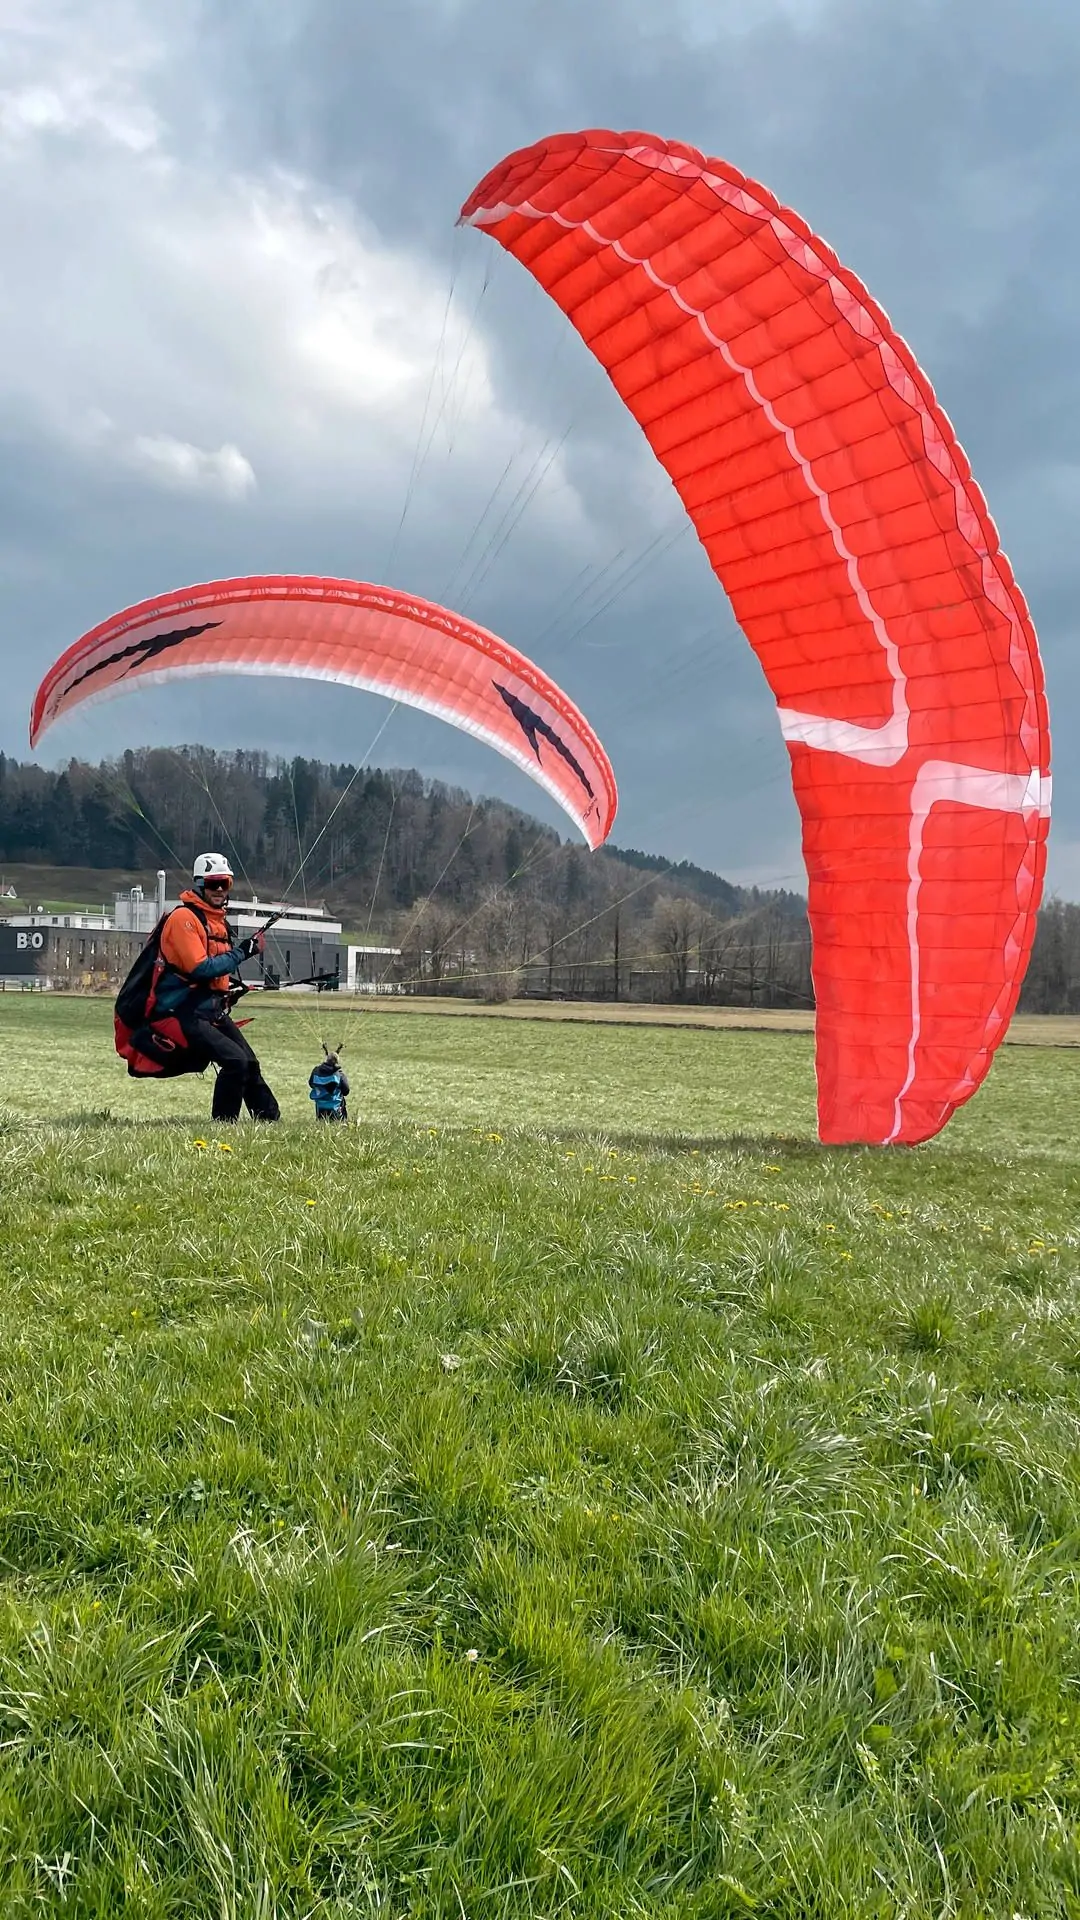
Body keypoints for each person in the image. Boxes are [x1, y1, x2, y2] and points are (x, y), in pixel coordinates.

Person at [154, 854, 281, 1122]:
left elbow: (215, 971)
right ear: (200, 885)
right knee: (235, 1062)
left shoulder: (217, 921)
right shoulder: (184, 919)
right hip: (183, 1012)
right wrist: (243, 952)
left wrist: (228, 990)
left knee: (249, 1062)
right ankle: (224, 1124)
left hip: (210, 1011)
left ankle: (269, 1121)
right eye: (214, 884)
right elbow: (200, 968)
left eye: (225, 883)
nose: (220, 889)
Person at [309, 1050, 350, 1122]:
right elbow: (346, 1091)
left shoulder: (316, 1071)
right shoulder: (339, 1075)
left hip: (320, 1106)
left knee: (321, 1123)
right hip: (335, 1106)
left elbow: (311, 1084)